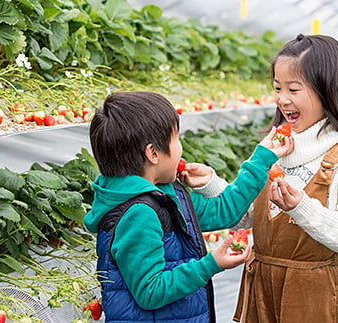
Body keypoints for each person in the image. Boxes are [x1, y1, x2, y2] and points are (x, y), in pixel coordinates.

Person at [187, 34, 338, 322]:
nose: (282, 99)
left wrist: (300, 206)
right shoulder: (275, 143)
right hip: (261, 283)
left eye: (293, 89)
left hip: (310, 290)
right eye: (277, 88)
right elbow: (251, 215)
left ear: (327, 90)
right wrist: (210, 183)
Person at [84, 91, 293, 322]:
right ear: (153, 153)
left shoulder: (166, 194)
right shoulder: (138, 213)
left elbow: (226, 211)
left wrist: (263, 157)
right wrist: (210, 264)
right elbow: (150, 291)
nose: (180, 148)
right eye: (176, 139)